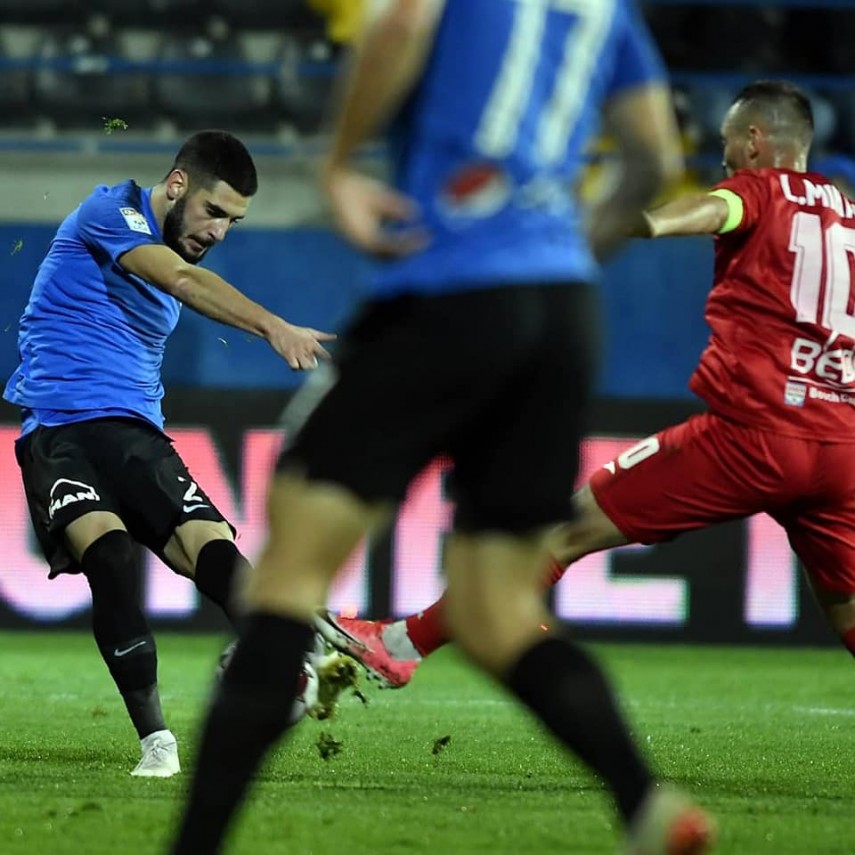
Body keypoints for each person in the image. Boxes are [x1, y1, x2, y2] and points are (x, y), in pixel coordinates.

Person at [172, 3, 714, 854]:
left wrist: (340, 164)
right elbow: (655, 156)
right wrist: (569, 253)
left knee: (287, 571)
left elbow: (400, 24)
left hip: (447, 292)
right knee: (497, 610)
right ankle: (646, 803)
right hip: (564, 315)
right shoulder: (605, 12)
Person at [325, 80, 855, 693]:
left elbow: (718, 208)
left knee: (559, 530)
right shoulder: (845, 211)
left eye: (729, 141)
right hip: (841, 447)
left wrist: (645, 219)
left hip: (754, 436)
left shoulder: (755, 190)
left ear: (756, 139)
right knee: (846, 606)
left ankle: (399, 645)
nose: (725, 155)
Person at [4, 130, 335, 777]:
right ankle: (156, 740)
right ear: (177, 184)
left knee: (208, 547)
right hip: (60, 432)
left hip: (135, 433)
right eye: (214, 211)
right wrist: (272, 324)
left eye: (233, 222)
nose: (219, 231)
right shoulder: (109, 213)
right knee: (111, 553)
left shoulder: (167, 244)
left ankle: (282, 660)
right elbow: (182, 279)